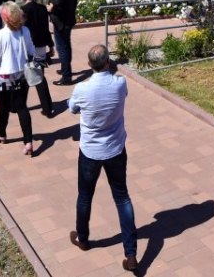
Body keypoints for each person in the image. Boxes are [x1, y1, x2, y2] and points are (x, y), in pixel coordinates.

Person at [66, 44, 139, 272]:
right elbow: (119, 88)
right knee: (122, 198)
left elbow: (72, 108)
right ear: (108, 61)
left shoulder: (82, 89)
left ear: (89, 65)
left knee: (85, 196)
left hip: (90, 151)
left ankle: (83, 238)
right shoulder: (120, 83)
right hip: (116, 148)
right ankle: (130, 253)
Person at [0, 1, 37, 157]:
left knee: (3, 106)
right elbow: (32, 50)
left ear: (5, 19)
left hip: (4, 76)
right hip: (22, 74)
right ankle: (28, 141)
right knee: (22, 107)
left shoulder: (0, 35)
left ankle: (1, 134)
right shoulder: (25, 31)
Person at [21, 0, 56, 118]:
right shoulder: (42, 8)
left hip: (28, 47)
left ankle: (20, 105)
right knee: (37, 74)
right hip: (41, 46)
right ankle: (47, 106)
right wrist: (51, 46)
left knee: (29, 76)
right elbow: (46, 29)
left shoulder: (23, 10)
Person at [47, 0, 79, 86]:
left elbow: (57, 1)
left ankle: (66, 76)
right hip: (69, 18)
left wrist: (50, 8)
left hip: (60, 21)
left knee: (62, 47)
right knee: (66, 45)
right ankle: (65, 68)